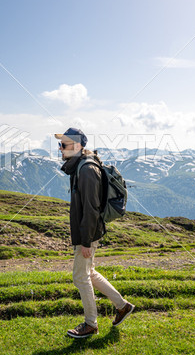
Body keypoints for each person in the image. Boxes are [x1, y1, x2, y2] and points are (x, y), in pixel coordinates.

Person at [55, 127, 135, 339]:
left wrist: (86, 242)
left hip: (88, 234)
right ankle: (122, 306)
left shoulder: (87, 169)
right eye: (59, 144)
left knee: (80, 278)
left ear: (79, 146)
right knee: (89, 273)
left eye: (64, 145)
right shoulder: (80, 166)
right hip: (88, 232)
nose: (60, 149)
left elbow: (91, 209)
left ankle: (91, 324)